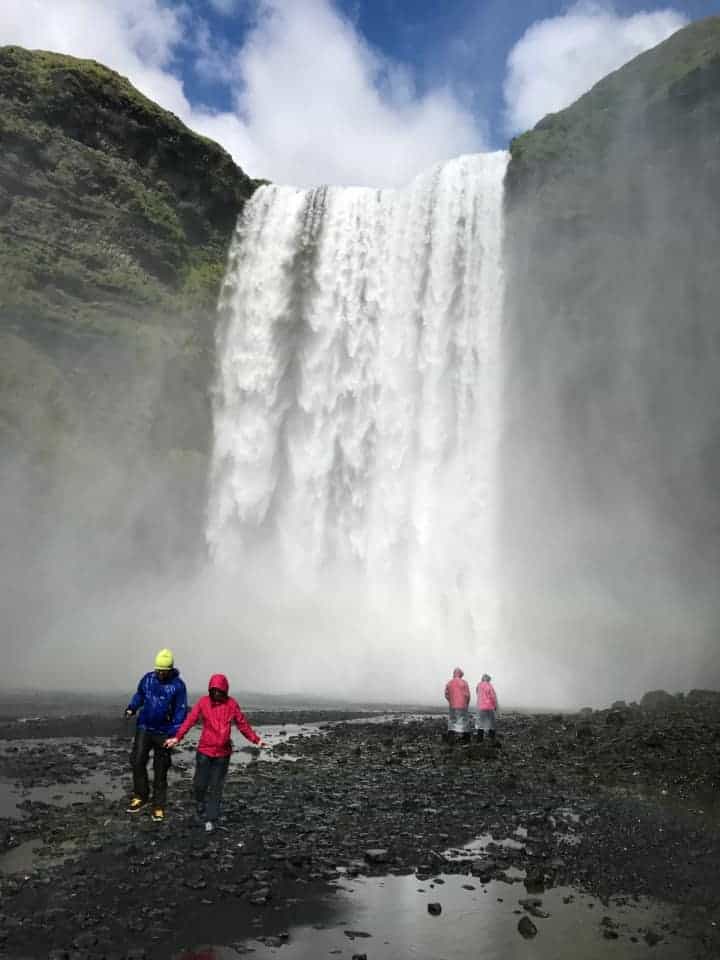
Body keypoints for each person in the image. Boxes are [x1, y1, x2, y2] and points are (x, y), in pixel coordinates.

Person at [164, 673, 268, 833]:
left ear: (225, 690)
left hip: (223, 754)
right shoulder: (203, 702)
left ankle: (211, 818)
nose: (217, 693)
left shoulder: (232, 704)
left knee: (216, 787)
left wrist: (256, 740)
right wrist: (177, 738)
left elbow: (242, 724)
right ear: (210, 690)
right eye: (214, 690)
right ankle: (200, 805)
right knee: (200, 783)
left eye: (220, 691)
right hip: (205, 751)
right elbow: (190, 720)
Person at [125, 648, 188, 822]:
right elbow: (140, 695)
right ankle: (141, 795)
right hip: (144, 727)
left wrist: (174, 735)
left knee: (161, 769)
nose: (160, 674)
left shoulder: (178, 686)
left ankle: (158, 805)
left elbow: (180, 711)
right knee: (137, 761)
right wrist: (132, 707)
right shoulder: (148, 679)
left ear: (170, 670)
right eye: (157, 670)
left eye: (163, 671)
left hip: (164, 732)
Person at [444, 666, 471, 738]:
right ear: (461, 674)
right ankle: (466, 737)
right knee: (464, 720)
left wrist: (451, 701)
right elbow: (468, 695)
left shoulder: (449, 683)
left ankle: (450, 736)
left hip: (453, 705)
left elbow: (446, 694)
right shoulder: (464, 682)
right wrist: (466, 703)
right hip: (463, 705)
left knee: (452, 720)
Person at [476, 673, 499, 741]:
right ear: (488, 679)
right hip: (489, 707)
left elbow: (477, 693)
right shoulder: (490, 685)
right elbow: (493, 697)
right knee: (491, 724)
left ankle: (479, 740)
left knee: (480, 724)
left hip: (480, 707)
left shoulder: (479, 685)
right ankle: (492, 739)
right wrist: (495, 706)